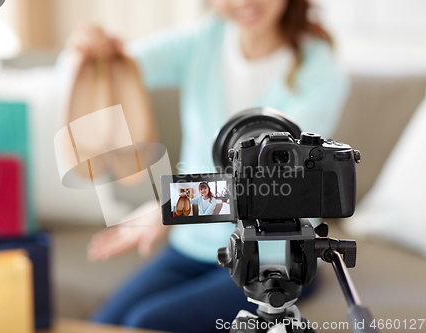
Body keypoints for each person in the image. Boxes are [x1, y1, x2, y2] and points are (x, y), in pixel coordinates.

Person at [68, 0, 349, 332]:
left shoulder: (319, 70)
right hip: (192, 248)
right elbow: (99, 72)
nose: (244, 3)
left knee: (147, 322)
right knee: (104, 323)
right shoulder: (203, 41)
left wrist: (169, 208)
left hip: (273, 258)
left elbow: (268, 184)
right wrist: (89, 53)